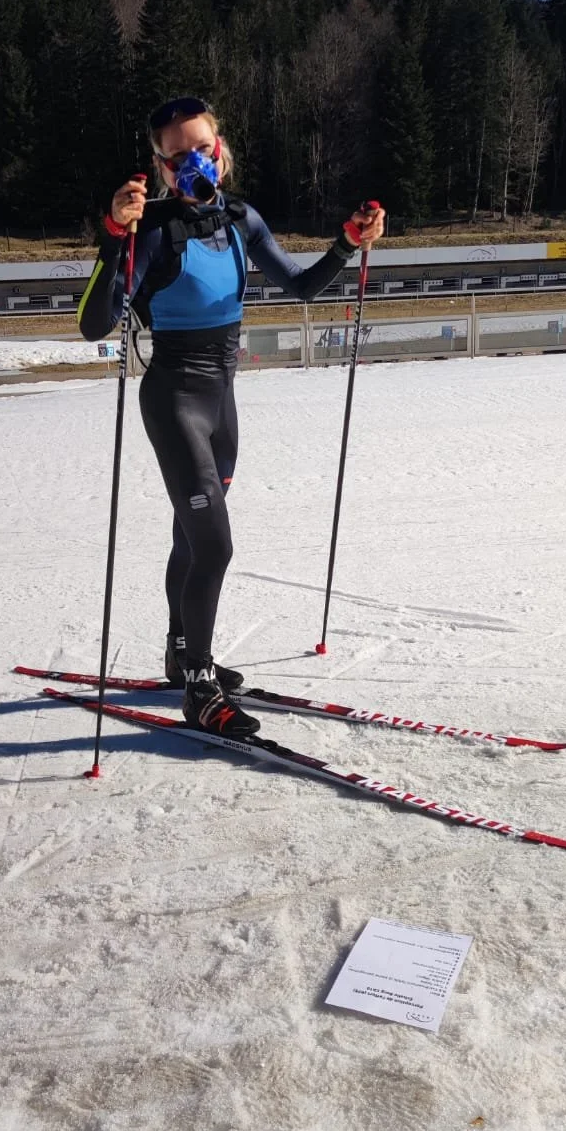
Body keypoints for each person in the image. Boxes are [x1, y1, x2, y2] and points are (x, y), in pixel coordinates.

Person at [79, 95, 384, 738]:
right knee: (214, 545)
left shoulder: (241, 219)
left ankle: (178, 651)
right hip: (173, 401)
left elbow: (299, 285)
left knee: (190, 540)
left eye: (202, 148)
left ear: (224, 149)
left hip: (223, 404)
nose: (194, 162)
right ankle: (199, 686)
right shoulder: (152, 229)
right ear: (162, 167)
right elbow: (93, 324)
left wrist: (346, 244)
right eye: (178, 155)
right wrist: (113, 237)